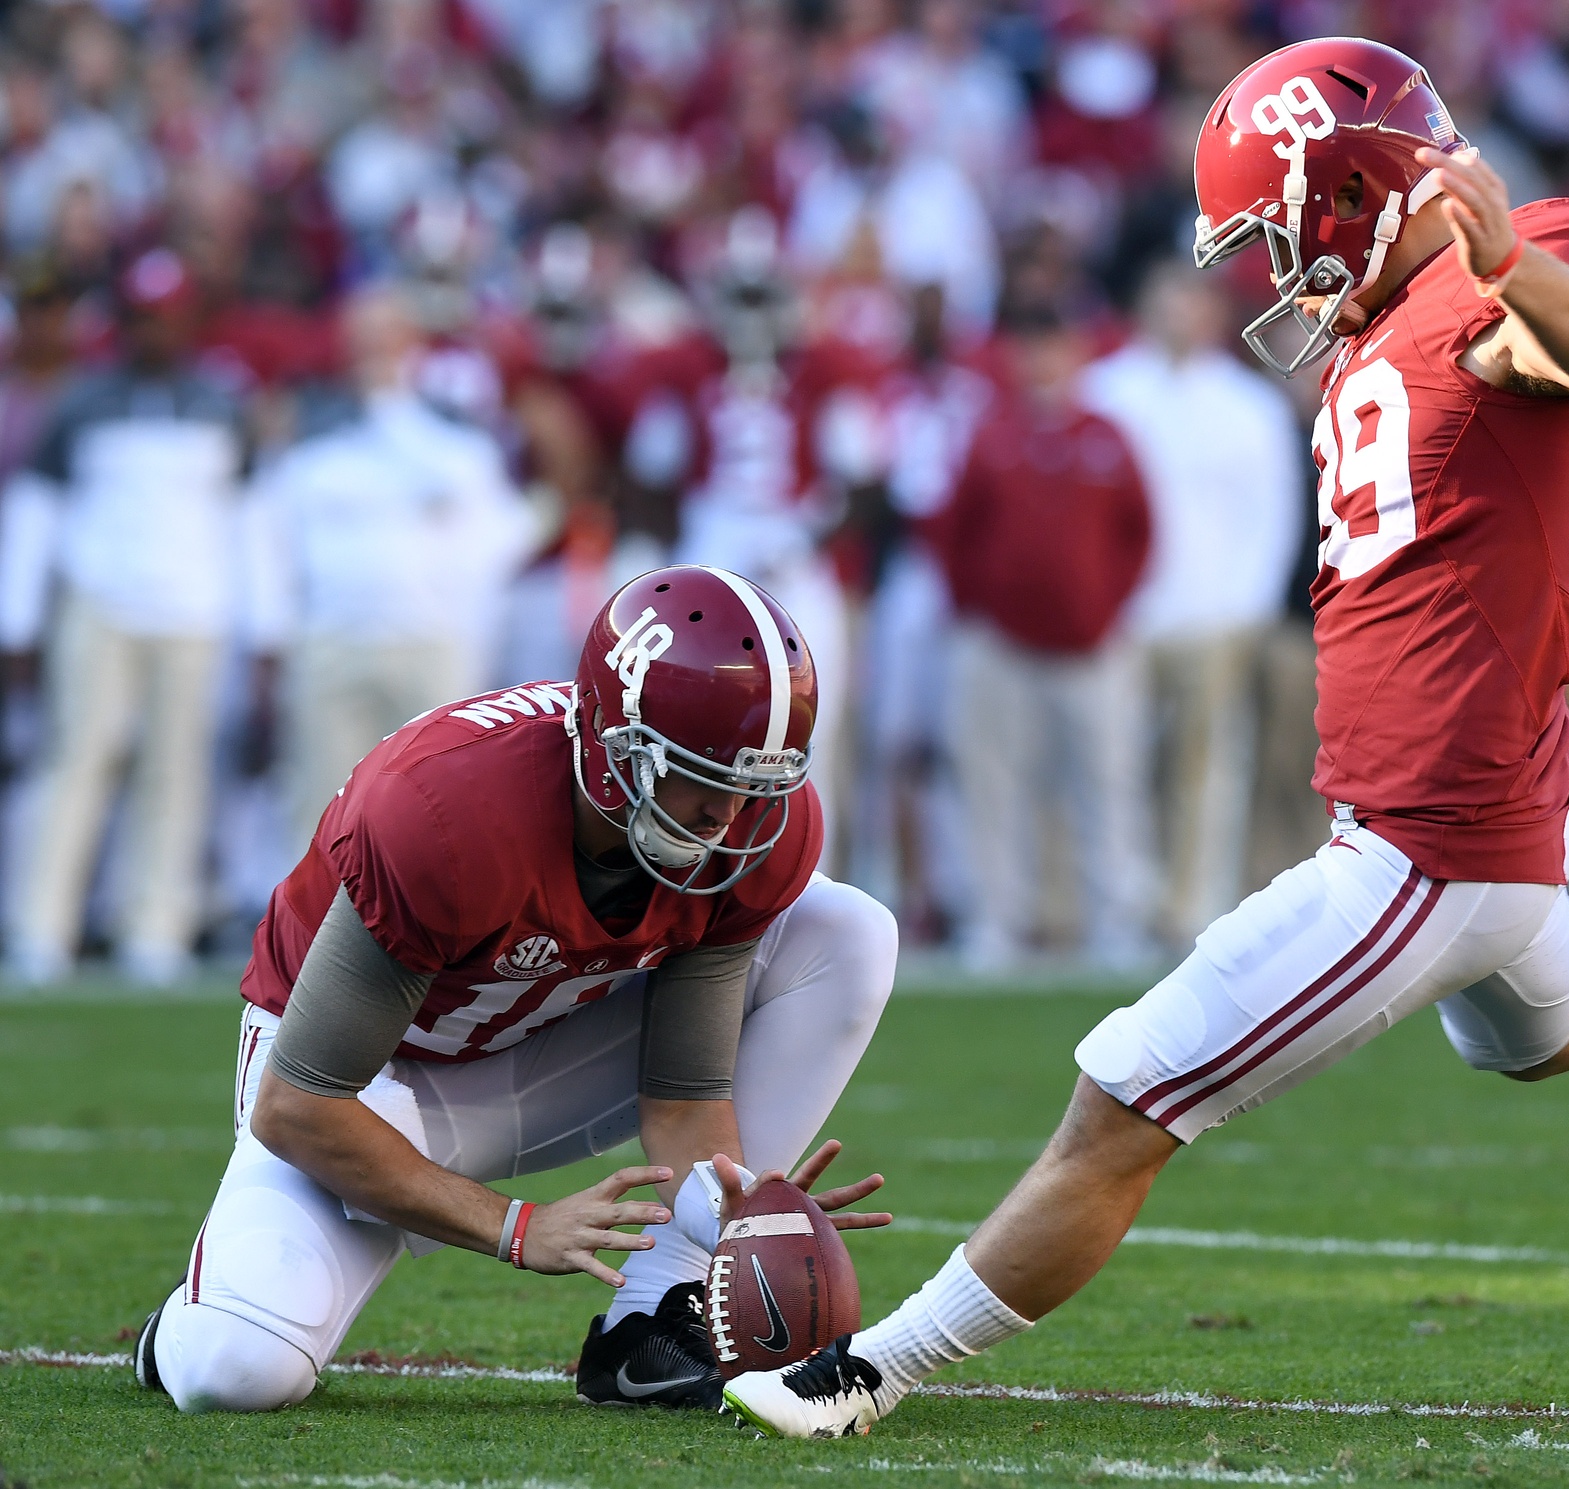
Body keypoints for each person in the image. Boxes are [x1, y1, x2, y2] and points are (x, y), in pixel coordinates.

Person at [718, 39, 1569, 1438]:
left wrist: (1507, 258)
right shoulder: (1385, 334)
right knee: (1557, 1021)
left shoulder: (1524, 272)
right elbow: (1547, 596)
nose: (1269, 268)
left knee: (1121, 1102)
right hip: (1497, 801)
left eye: (1273, 230)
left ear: (1345, 193)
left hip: (1425, 839)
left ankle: (864, 1376)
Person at [134, 565, 898, 1415]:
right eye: (703, 776)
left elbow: (686, 1093)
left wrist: (744, 1212)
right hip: (360, 1081)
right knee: (232, 1371)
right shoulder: (444, 812)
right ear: (615, 749)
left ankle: (652, 1320)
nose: (730, 815)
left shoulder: (753, 826)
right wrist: (515, 1225)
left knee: (848, 932)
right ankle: (188, 1315)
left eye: (754, 783)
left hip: (539, 1033)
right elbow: (298, 1104)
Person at [0, 248, 250, 985]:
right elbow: (33, 518)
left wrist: (258, 626)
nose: (155, 332)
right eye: (143, 318)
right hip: (99, 605)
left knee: (175, 772)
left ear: (188, 319)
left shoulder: (220, 401)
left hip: (191, 611)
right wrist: (17, 624)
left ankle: (156, 929)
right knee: (75, 760)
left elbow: (246, 520)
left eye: (166, 317)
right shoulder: (80, 401)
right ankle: (41, 927)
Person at [241, 283, 538, 849]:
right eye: (361, 339)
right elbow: (271, 534)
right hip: (332, 639)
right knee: (321, 806)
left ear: (413, 342)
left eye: (386, 336)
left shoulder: (457, 435)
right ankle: (314, 935)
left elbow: (495, 540)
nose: (373, 351)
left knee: (439, 808)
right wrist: (272, 632)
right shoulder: (306, 431)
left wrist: (465, 629)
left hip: (429, 641)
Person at [1081, 260, 1303, 945]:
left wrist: (1245, 611)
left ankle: (1189, 907)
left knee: (1202, 769)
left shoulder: (1248, 405)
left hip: (1213, 618)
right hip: (1121, 617)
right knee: (1113, 767)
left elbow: (1272, 517)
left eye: (1191, 302)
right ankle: (1121, 904)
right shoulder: (1106, 392)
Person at [932, 304, 1158, 970]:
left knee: (1107, 782)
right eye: (1031, 347)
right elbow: (954, 533)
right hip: (1004, 644)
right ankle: (997, 920)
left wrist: (1104, 607)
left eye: (1054, 346)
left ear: (1077, 354)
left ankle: (1112, 921)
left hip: (1091, 648)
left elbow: (1139, 535)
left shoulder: (1108, 437)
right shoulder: (991, 435)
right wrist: (982, 604)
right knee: (994, 786)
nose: (1043, 361)